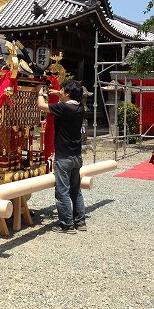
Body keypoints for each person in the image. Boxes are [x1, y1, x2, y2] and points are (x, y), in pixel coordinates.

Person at [37, 80, 86, 234]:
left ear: (67, 94)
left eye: (62, 90)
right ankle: (80, 221)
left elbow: (41, 106)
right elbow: (68, 97)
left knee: (62, 192)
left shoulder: (64, 108)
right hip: (76, 156)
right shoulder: (79, 107)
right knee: (75, 190)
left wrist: (40, 92)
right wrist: (59, 92)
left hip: (64, 157)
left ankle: (66, 225)